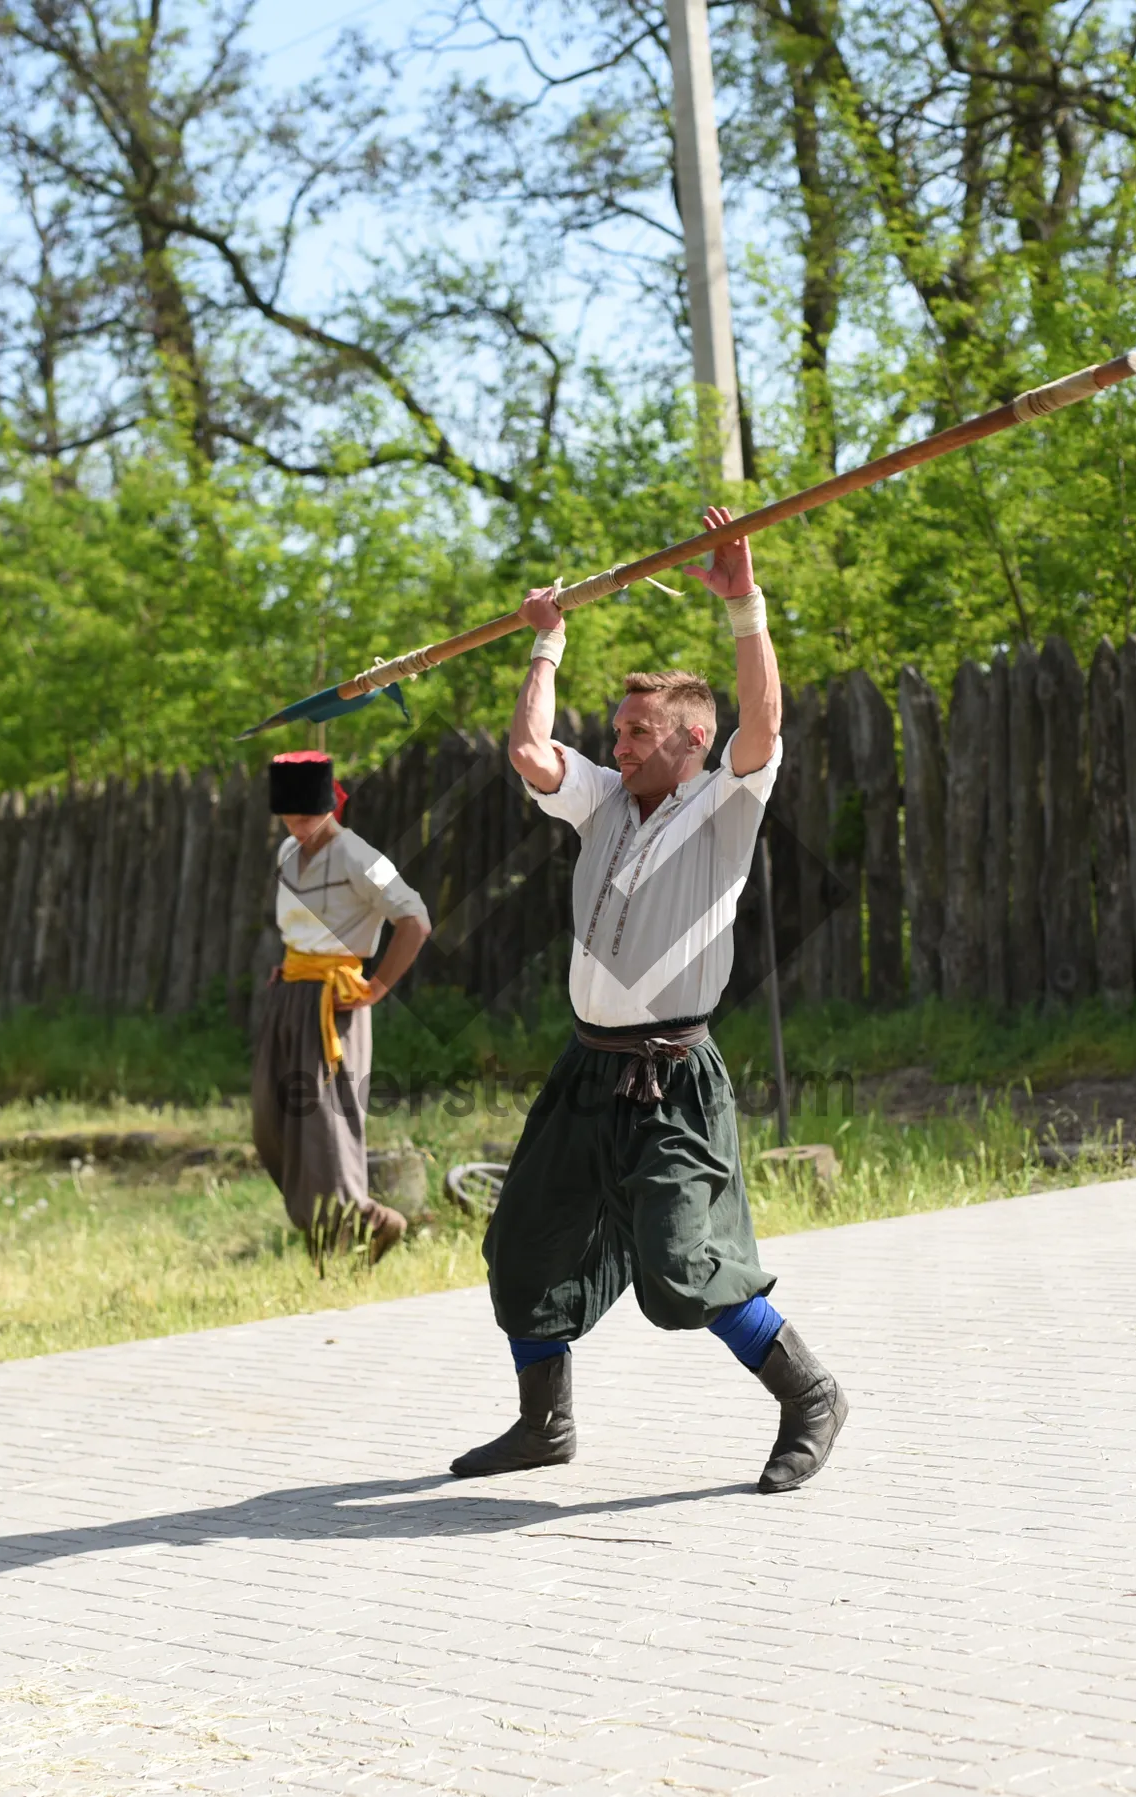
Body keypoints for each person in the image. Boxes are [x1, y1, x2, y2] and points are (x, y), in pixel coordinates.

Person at [451, 508, 848, 1493]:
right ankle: (544, 1426)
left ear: (689, 738)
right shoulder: (599, 799)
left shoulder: (724, 804)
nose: (617, 743)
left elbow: (767, 722)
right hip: (586, 1070)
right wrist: (547, 640)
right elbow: (531, 751)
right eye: (617, 730)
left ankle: (810, 1396)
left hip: (671, 1077)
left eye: (637, 732)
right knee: (525, 1243)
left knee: (687, 1262)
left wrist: (743, 603)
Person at [252, 750, 431, 1262]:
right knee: (271, 1120)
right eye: (289, 816)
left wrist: (375, 988)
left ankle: (363, 1227)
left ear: (331, 805)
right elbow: (300, 927)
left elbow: (414, 920)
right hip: (290, 991)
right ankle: (328, 1224)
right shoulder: (288, 851)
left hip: (337, 1000)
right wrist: (289, 967)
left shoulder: (359, 855)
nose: (297, 825)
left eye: (306, 815)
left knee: (323, 1122)